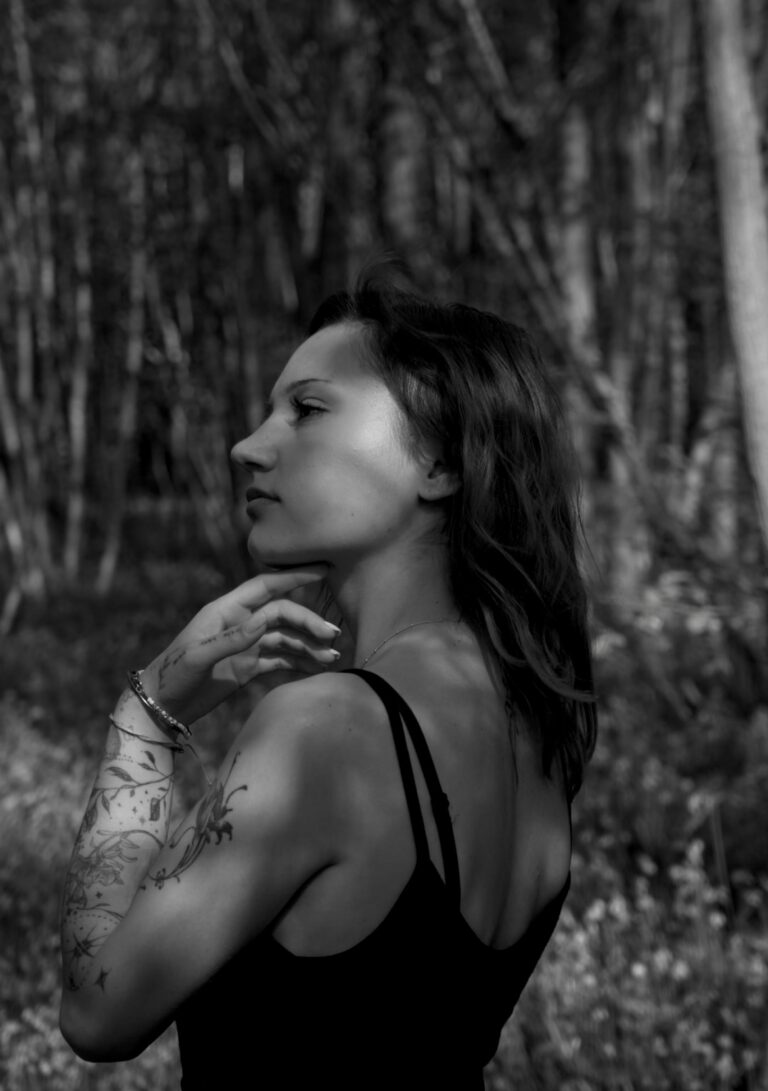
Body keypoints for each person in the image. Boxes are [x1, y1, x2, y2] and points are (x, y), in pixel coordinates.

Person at [59, 268, 597, 1089]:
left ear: (440, 461)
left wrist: (145, 717)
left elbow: (96, 1012)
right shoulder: (540, 733)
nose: (249, 445)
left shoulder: (326, 729)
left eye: (307, 409)